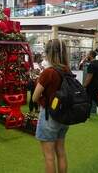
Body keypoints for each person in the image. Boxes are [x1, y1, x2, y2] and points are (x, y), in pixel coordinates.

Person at [32, 39, 69, 173]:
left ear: (48, 53)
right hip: (64, 116)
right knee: (61, 153)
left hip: (49, 116)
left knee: (49, 157)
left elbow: (34, 97)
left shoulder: (49, 72)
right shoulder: (67, 70)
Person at [83, 50, 98, 119]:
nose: (86, 56)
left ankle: (86, 115)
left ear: (90, 55)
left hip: (92, 85)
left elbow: (89, 77)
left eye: (87, 55)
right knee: (95, 99)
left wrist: (84, 85)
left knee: (88, 99)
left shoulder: (91, 65)